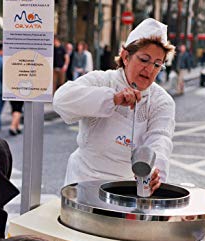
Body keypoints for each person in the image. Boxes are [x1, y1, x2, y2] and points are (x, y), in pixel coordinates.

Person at [53, 18, 175, 190]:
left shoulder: (161, 101)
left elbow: (160, 139)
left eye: (157, 64)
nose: (150, 69)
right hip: (84, 180)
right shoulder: (102, 80)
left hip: (128, 188)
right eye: (144, 60)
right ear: (126, 56)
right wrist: (113, 99)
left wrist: (155, 171)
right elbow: (61, 100)